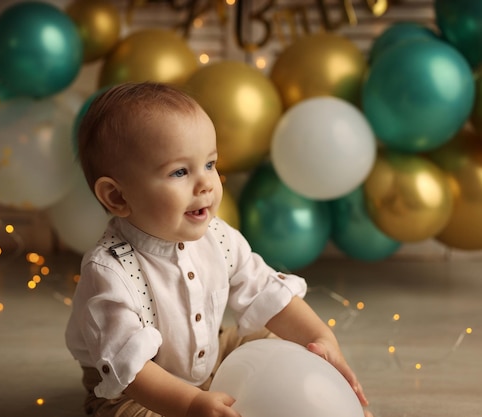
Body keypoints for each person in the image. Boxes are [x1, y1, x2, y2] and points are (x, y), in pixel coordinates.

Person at [65, 81, 370, 417]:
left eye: (210, 164)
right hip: (134, 390)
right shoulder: (110, 271)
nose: (206, 183)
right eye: (180, 171)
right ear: (117, 197)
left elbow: (268, 295)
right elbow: (132, 370)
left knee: (279, 340)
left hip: (210, 356)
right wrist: (191, 403)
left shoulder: (218, 238)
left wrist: (321, 338)